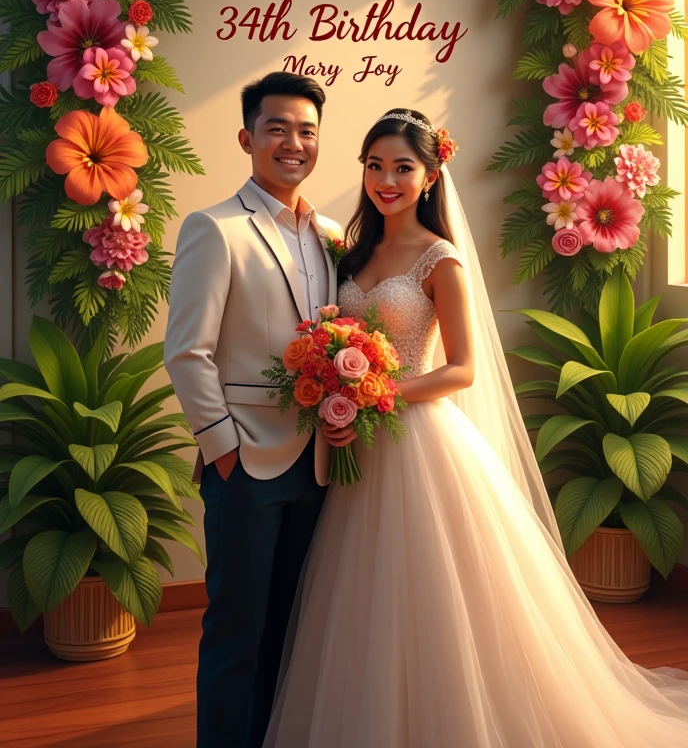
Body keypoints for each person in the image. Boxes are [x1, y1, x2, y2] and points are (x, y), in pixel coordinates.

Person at [263, 108, 688, 748]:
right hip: (364, 446)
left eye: (402, 167)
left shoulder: (442, 259)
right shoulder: (351, 251)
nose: (386, 180)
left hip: (421, 442)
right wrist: (338, 394)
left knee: (438, 591)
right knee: (364, 594)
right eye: (374, 166)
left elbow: (460, 369)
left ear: (431, 176)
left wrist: (377, 393)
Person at [163, 72, 344, 748]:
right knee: (237, 630)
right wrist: (224, 451)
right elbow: (187, 352)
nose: (293, 143)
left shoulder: (330, 233)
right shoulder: (214, 228)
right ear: (247, 137)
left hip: (321, 461)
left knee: (294, 628)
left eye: (306, 131)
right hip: (246, 464)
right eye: (277, 128)